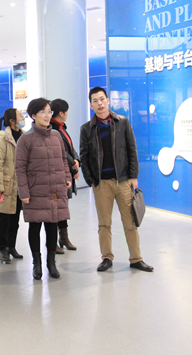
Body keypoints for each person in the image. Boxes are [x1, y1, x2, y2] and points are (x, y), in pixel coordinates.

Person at [79, 87, 154, 273]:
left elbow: (132, 150)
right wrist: (90, 180)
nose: (99, 103)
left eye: (102, 99)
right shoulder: (86, 129)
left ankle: (136, 259)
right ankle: (106, 258)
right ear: (91, 105)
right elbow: (84, 156)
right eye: (95, 100)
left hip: (123, 181)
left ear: (108, 101)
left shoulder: (122, 122)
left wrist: (133, 176)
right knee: (104, 224)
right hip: (101, 184)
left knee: (130, 223)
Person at [15, 98, 71, 280]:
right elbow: (20, 168)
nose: (47, 116)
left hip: (54, 189)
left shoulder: (56, 136)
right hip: (35, 190)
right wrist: (23, 192)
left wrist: (67, 177)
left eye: (49, 112)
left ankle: (51, 263)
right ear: (33, 115)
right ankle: (37, 263)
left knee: (52, 226)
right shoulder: (26, 139)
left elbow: (63, 160)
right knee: (35, 226)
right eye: (43, 112)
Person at [0, 108, 26, 264]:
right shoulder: (2, 139)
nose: (23, 118)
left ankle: (12, 246)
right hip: (5, 185)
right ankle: (2, 248)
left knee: (15, 219)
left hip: (19, 185)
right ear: (12, 121)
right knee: (3, 218)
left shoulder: (24, 137)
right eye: (20, 116)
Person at [50, 99, 80, 254]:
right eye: (66, 111)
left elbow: (70, 148)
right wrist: (73, 164)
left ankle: (64, 238)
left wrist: (77, 160)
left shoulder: (62, 127)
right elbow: (61, 151)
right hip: (58, 173)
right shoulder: (52, 129)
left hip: (66, 171)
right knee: (56, 208)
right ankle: (53, 241)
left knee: (62, 207)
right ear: (61, 113)